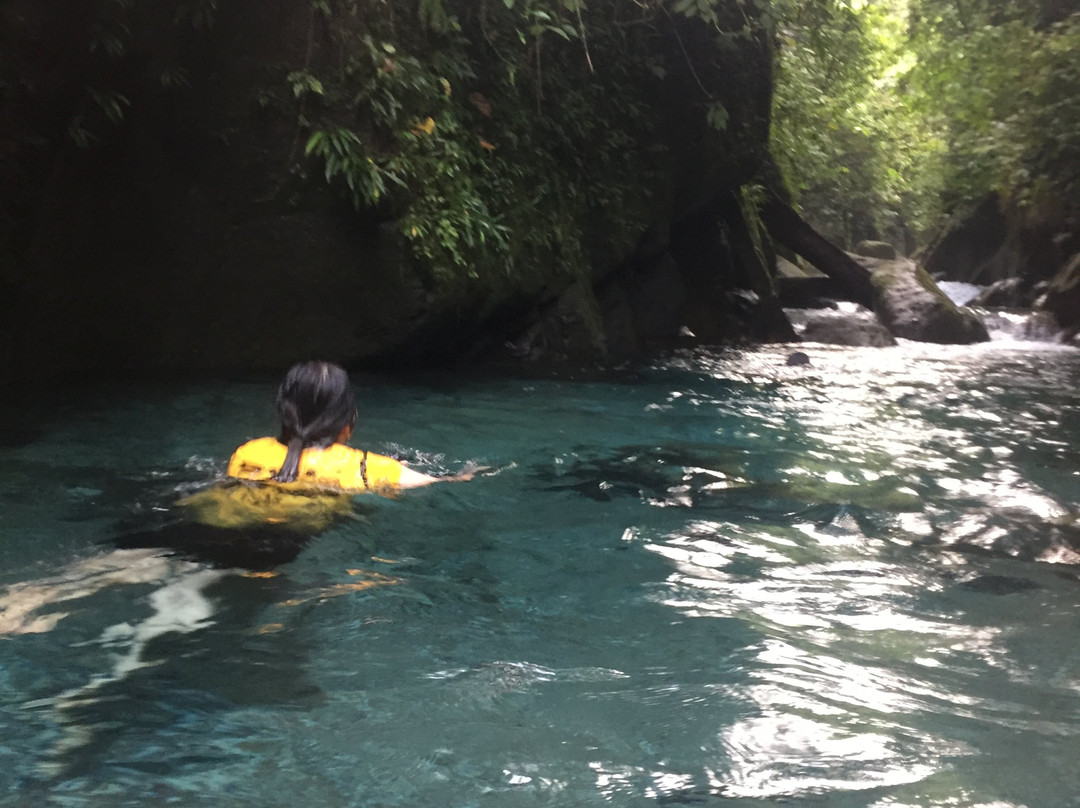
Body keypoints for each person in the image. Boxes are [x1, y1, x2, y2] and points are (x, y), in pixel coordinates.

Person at [226, 360, 473, 493]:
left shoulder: (248, 451)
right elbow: (443, 482)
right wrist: (471, 473)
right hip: (288, 553)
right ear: (347, 425)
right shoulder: (366, 468)